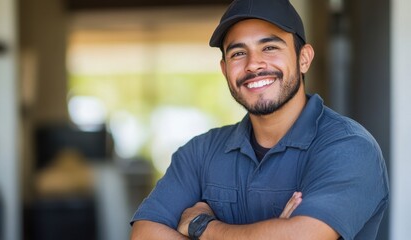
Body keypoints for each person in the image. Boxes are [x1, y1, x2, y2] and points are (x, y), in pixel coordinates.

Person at [130, 0, 389, 239]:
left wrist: (202, 227)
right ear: (224, 69)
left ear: (304, 58)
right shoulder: (199, 153)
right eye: (238, 53)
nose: (254, 64)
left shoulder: (348, 147)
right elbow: (144, 234)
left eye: (270, 47)